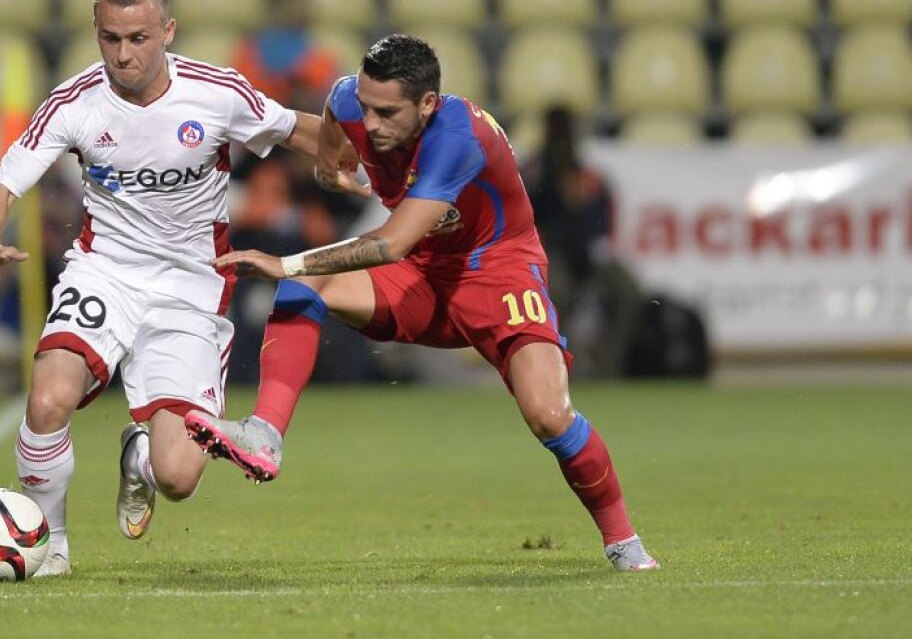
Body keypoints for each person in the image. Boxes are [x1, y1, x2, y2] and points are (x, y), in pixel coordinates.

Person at [185, 35, 658, 572]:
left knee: (549, 415)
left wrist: (287, 261)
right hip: (420, 273)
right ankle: (265, 434)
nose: (373, 122)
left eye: (387, 113)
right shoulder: (350, 101)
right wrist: (331, 158)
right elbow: (338, 111)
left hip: (496, 271)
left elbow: (391, 242)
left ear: (428, 104)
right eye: (367, 108)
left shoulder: (459, 137)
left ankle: (624, 542)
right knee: (307, 288)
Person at [0, 0, 342, 577]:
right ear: (96, 32)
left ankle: (140, 454)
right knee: (50, 395)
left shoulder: (216, 93)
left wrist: (372, 158)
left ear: (167, 31)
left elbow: (297, 129)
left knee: (178, 476)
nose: (123, 54)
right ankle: (51, 544)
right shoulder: (74, 101)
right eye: (111, 38)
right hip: (104, 272)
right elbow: (2, 186)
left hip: (192, 289)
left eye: (138, 38)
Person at [520, 105, 642, 378]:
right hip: (550, 257)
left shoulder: (588, 177)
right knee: (555, 293)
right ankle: (554, 368)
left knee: (628, 290)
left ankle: (608, 365)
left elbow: (601, 221)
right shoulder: (531, 174)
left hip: (588, 256)